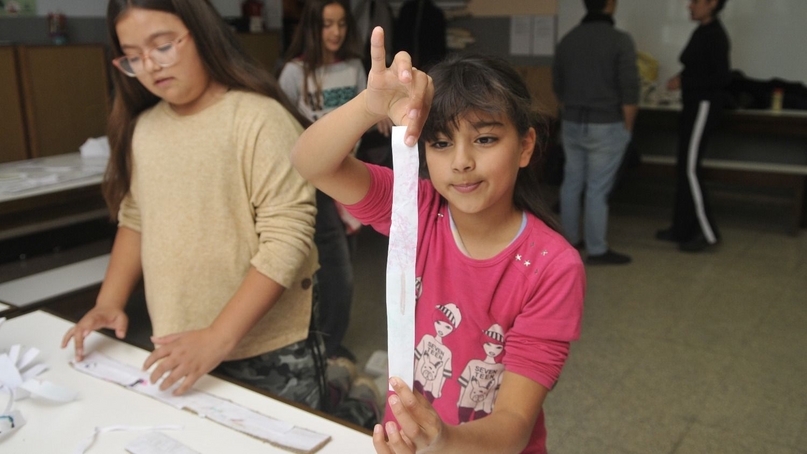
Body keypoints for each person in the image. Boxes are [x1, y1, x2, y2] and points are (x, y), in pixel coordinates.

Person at [291, 27, 585, 454]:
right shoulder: (415, 209)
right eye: (442, 143)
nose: (462, 162)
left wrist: (443, 441)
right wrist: (370, 105)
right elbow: (310, 162)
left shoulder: (552, 267)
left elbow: (515, 425)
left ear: (525, 146)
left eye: (485, 139)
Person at [61, 0, 325, 409]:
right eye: (133, 57)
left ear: (201, 33)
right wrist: (108, 301)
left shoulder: (258, 118)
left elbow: (287, 239)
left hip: (267, 347)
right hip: (180, 342)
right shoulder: (144, 129)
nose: (150, 66)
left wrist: (218, 337)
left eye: (163, 46)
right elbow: (136, 219)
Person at [279, 0, 365, 362]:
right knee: (334, 266)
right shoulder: (294, 73)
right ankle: (325, 347)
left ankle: (326, 342)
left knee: (342, 263)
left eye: (341, 24)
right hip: (312, 184)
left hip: (350, 178)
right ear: (313, 27)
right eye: (327, 24)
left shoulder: (355, 67)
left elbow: (367, 111)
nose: (335, 32)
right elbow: (281, 128)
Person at [552, 0, 640, 265]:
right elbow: (630, 88)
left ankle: (569, 241)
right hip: (606, 124)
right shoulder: (619, 40)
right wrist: (628, 128)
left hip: (572, 122)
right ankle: (597, 249)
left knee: (571, 183)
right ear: (610, 4)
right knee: (597, 189)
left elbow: (558, 85)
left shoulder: (568, 40)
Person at [656, 0, 730, 252]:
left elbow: (720, 78)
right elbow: (696, 67)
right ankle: (682, 227)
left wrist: (684, 82)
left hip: (703, 107)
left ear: (712, 4)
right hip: (692, 106)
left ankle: (708, 233)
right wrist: (681, 78)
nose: (689, 6)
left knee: (690, 169)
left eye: (696, 2)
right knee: (682, 167)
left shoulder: (716, 35)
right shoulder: (702, 32)